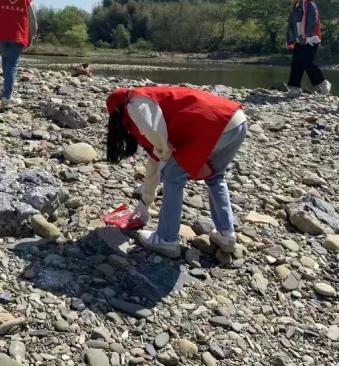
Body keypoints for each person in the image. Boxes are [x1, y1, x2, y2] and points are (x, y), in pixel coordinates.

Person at [105, 86, 247, 258]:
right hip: (236, 119)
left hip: (216, 124)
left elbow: (162, 148)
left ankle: (167, 240)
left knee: (173, 176)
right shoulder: (150, 97)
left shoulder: (133, 104)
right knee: (215, 177)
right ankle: (226, 235)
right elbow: (154, 160)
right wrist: (144, 203)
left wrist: (167, 164)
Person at [284, 0, 331, 96]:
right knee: (296, 62)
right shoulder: (296, 6)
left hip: (310, 38)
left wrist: (308, 35)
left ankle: (323, 84)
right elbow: (291, 24)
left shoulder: (308, 3)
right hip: (299, 39)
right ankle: (294, 88)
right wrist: (290, 39)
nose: (288, 0)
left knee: (307, 62)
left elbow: (312, 18)